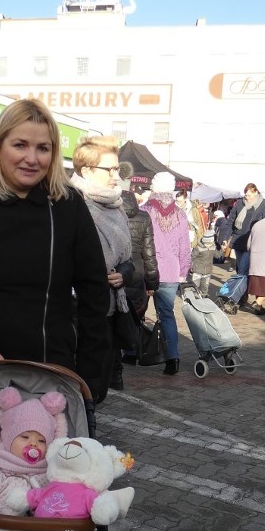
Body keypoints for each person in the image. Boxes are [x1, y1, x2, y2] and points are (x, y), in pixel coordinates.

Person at [0, 98, 111, 399]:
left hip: (55, 372)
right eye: (20, 145)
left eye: (43, 148)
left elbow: (94, 293)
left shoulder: (68, 207)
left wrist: (91, 374)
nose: (32, 158)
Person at [70, 137, 134, 392]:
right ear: (86, 170)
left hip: (110, 310)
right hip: (76, 313)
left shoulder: (116, 207)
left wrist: (123, 274)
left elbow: (127, 258)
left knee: (98, 387)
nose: (116, 176)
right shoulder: (69, 204)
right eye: (109, 169)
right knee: (76, 389)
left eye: (117, 169)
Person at [145, 175, 192, 376]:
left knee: (135, 311)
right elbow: (185, 248)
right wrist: (183, 271)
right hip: (171, 271)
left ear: (154, 187)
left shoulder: (145, 211)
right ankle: (173, 358)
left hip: (148, 269)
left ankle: (131, 352)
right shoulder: (180, 214)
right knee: (166, 315)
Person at [120, 182, 159, 363]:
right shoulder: (144, 217)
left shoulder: (113, 214)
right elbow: (149, 252)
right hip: (138, 273)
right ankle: (132, 353)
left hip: (117, 271)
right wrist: (152, 282)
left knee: (116, 314)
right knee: (136, 315)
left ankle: (117, 355)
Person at [222, 183, 265, 278]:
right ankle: (243, 288)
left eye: (249, 195)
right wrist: (225, 238)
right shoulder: (239, 203)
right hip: (238, 239)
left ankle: (242, 288)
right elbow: (231, 221)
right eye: (246, 195)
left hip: (253, 240)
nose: (247, 197)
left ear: (256, 192)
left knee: (244, 267)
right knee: (240, 266)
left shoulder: (264, 204)